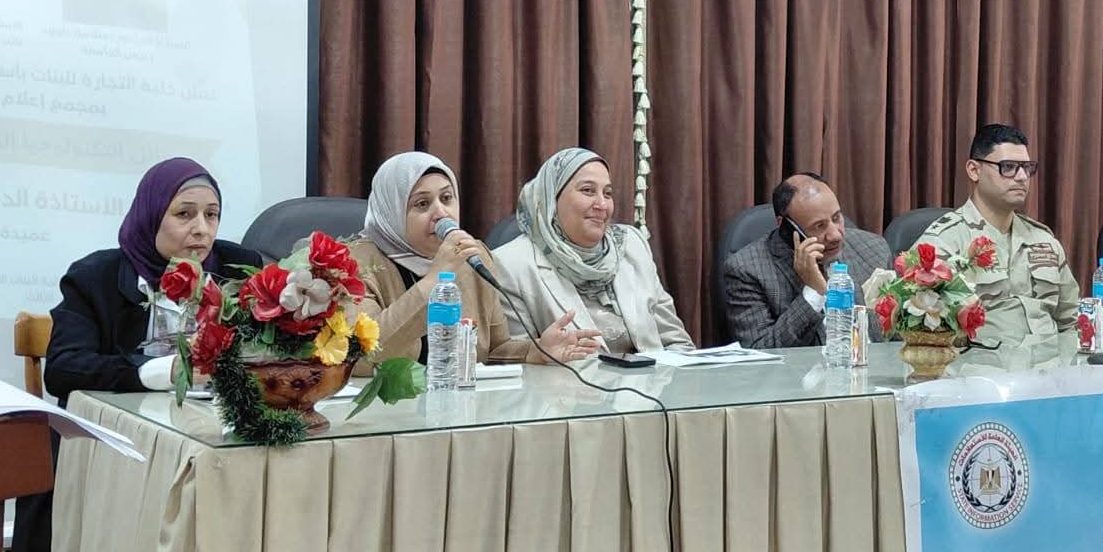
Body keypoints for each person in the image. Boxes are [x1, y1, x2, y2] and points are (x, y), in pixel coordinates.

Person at [16, 157, 261, 552]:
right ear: (151, 215)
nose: (201, 229)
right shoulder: (95, 276)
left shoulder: (237, 268)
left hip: (211, 441)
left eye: (212, 215)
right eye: (184, 214)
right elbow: (65, 369)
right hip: (117, 448)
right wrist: (157, 372)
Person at [349, 151, 600, 372]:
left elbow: (494, 349)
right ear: (391, 212)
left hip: (457, 402)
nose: (441, 213)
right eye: (423, 204)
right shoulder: (353, 265)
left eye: (447, 198)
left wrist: (536, 351)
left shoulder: (471, 255)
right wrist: (436, 278)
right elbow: (360, 356)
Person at [492, 148, 693, 362]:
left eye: (607, 193)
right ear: (551, 198)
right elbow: (512, 364)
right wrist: (539, 353)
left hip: (654, 381)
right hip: (569, 384)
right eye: (588, 190)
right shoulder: (510, 265)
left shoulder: (632, 246)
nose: (602, 205)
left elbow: (677, 342)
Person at [919, 123, 1079, 354]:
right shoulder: (943, 242)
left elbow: (1070, 323)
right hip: (979, 369)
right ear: (974, 170)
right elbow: (922, 335)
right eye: (1008, 167)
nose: (1022, 177)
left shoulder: (1044, 241)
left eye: (1027, 168)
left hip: (1049, 369)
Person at [722, 171, 893, 349]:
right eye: (819, 226)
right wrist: (813, 292)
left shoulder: (875, 250)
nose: (835, 235)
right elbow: (760, 352)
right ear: (786, 228)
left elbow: (899, 337)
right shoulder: (747, 270)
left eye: (836, 218)